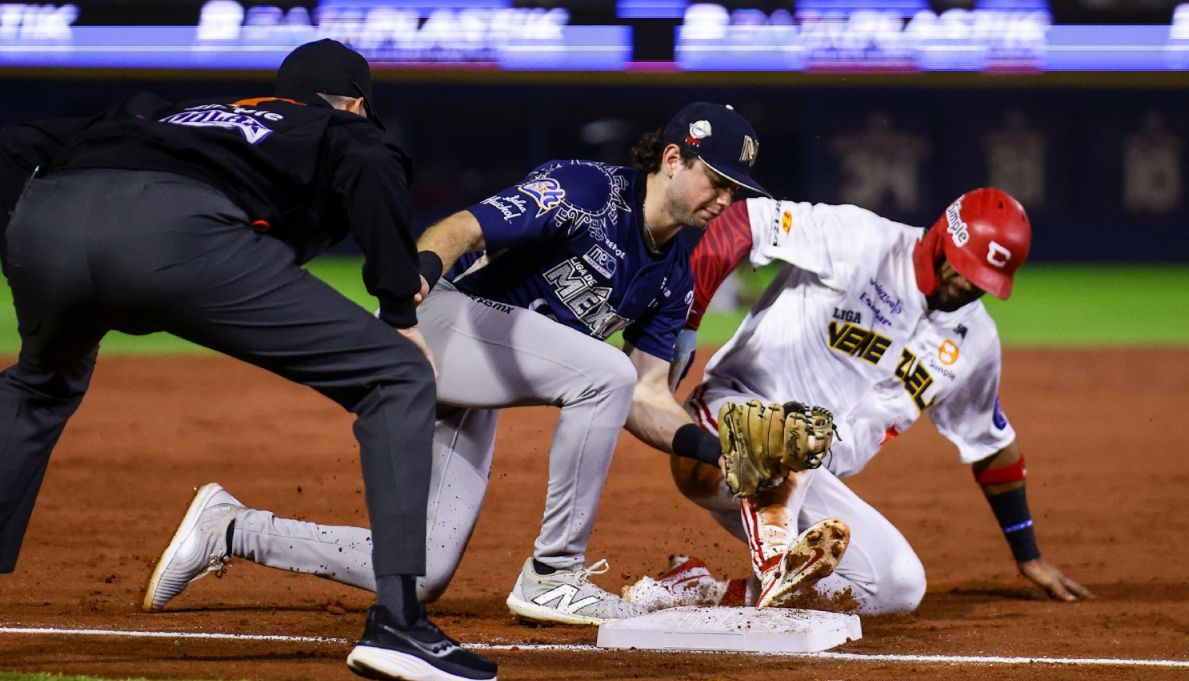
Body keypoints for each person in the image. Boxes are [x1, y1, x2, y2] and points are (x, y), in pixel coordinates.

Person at [145, 102, 813, 625]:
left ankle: (230, 528)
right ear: (673, 158)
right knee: (597, 373)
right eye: (717, 179)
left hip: (492, 371)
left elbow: (645, 393)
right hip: (446, 325)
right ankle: (554, 575)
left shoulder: (676, 278)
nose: (726, 199)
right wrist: (412, 297)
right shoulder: (585, 191)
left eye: (736, 189)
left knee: (425, 571)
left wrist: (713, 447)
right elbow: (460, 229)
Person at [0, 39, 497, 681]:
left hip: (47, 223)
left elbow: (13, 145)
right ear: (353, 103)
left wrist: (34, 232)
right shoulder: (334, 124)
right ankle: (400, 627)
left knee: (37, 388)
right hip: (176, 233)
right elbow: (373, 162)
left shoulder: (171, 111)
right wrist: (399, 312)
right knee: (395, 373)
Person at [625, 188, 1093, 615]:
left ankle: (700, 590)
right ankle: (776, 566)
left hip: (808, 478)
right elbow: (744, 221)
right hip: (726, 432)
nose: (971, 285)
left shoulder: (975, 341)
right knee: (794, 434)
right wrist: (686, 326)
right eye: (967, 268)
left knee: (898, 587)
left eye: (985, 280)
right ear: (943, 236)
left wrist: (1028, 554)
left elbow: (991, 445)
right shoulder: (862, 240)